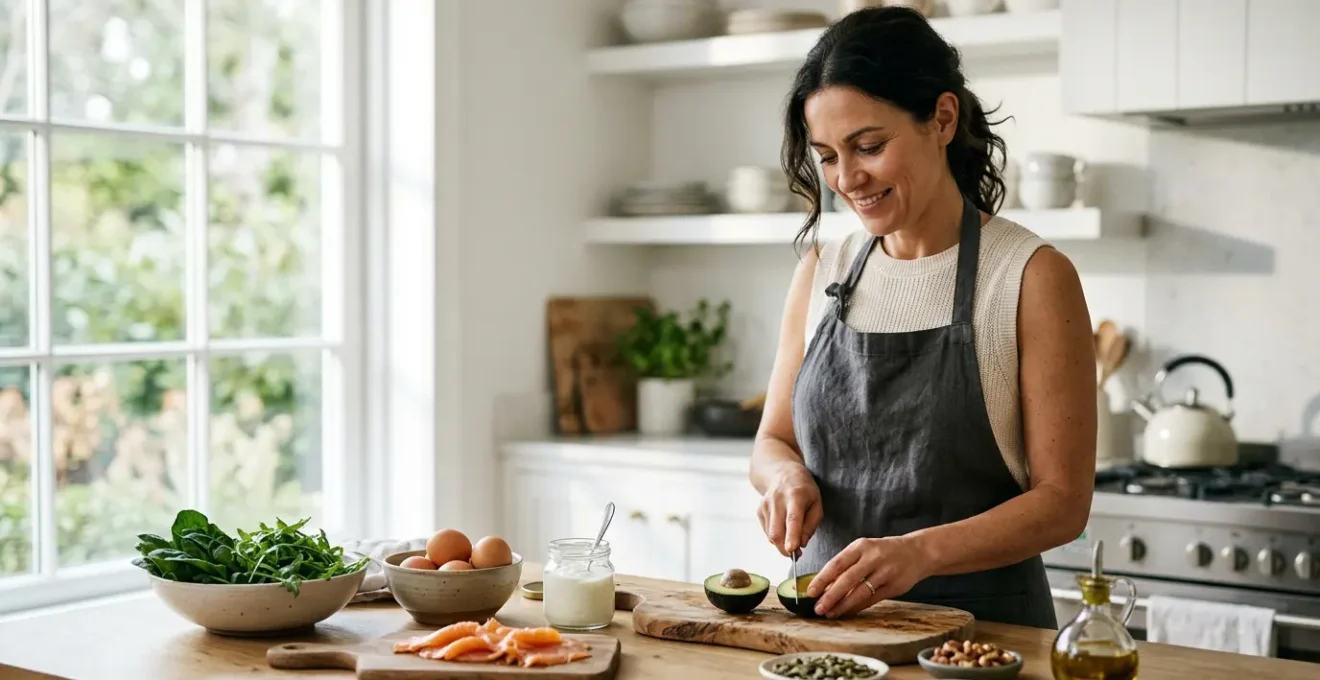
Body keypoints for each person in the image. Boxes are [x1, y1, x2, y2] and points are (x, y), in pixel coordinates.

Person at [748, 6, 1096, 629]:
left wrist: (920, 554)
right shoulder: (823, 269)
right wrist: (785, 478)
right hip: (829, 631)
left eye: (870, 146)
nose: (847, 179)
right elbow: (773, 440)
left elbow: (1063, 504)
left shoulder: (1031, 276)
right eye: (827, 156)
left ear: (942, 118)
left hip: (986, 638)